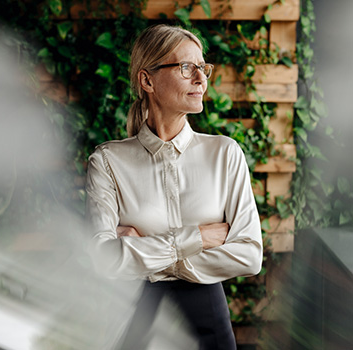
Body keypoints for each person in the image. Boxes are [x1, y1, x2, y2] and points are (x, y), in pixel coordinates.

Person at [85, 24, 263, 350]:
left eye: (203, 67)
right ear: (147, 80)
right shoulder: (108, 161)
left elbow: (250, 256)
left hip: (209, 327)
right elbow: (102, 259)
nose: (201, 78)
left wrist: (146, 253)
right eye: (186, 67)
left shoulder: (225, 154)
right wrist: (200, 238)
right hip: (132, 323)